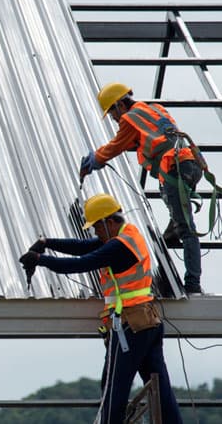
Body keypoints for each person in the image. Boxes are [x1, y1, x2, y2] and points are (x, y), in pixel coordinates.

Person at [19, 193, 183, 424]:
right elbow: (84, 247)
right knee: (160, 391)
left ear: (109, 221)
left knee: (113, 388)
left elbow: (80, 263)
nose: (95, 232)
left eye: (97, 226)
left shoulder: (117, 246)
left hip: (130, 325)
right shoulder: (127, 235)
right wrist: (47, 244)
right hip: (147, 322)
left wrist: (40, 259)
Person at [79, 82, 203, 294]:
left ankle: (193, 284)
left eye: (112, 113)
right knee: (175, 209)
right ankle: (172, 233)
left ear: (119, 105)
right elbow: (143, 139)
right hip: (190, 164)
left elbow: (117, 145)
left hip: (175, 171)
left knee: (187, 229)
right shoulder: (153, 108)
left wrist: (95, 160)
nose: (115, 119)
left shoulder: (129, 118)